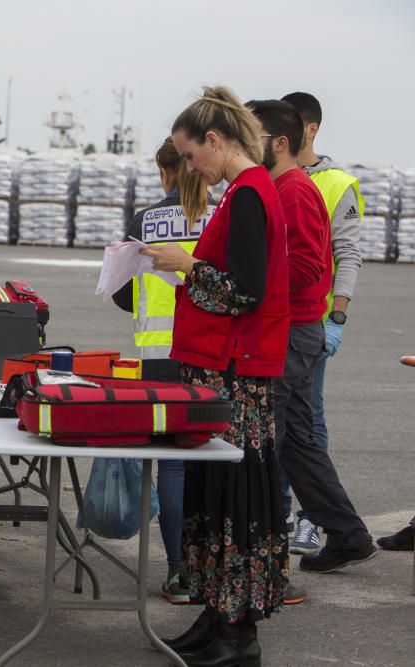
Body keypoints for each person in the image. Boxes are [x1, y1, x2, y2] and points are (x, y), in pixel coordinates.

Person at [141, 86, 290, 667]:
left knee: (235, 501)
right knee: (214, 496)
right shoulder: (241, 193)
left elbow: (244, 290)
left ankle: (238, 629)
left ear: (214, 141)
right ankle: (217, 611)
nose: (189, 169)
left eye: (191, 156)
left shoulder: (251, 195)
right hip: (219, 366)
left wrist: (188, 265)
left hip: (236, 371)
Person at [249, 99, 376, 576]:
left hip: (295, 332)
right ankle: (347, 536)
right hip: (296, 331)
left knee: (260, 442)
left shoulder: (297, 191)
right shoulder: (279, 186)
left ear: (281, 141)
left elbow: (312, 266)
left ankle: (261, 557)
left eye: (250, 136)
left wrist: (245, 279)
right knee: (299, 443)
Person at [112, 136, 213, 604]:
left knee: (171, 467)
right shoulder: (223, 216)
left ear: (164, 172)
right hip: (212, 356)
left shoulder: (145, 221)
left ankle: (179, 572)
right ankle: (217, 563)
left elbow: (118, 289)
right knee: (218, 463)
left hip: (158, 357)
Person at [281, 92, 365, 553]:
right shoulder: (271, 178)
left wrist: (338, 316)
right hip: (280, 321)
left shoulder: (337, 183)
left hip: (312, 321)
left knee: (307, 419)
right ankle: (278, 511)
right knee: (286, 423)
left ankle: (311, 518)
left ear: (309, 130)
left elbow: (348, 253)